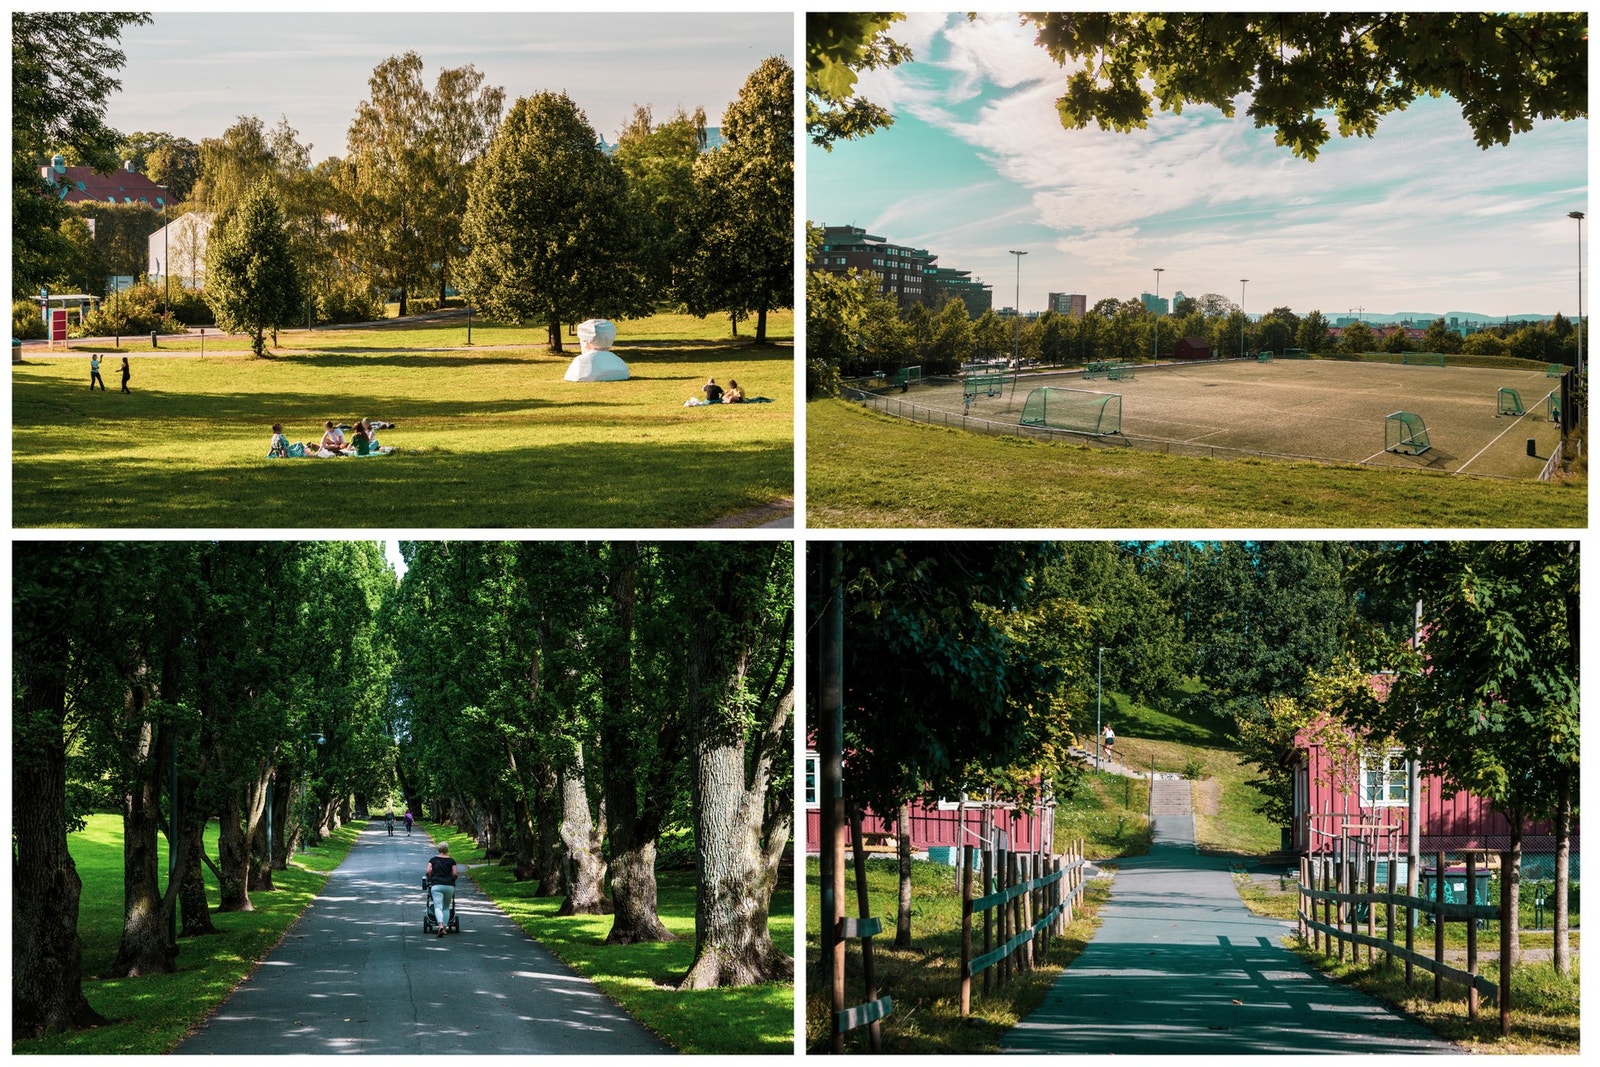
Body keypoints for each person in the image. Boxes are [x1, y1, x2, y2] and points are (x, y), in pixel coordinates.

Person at [425, 843, 460, 937]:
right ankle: (444, 927)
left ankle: (439, 924)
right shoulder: (451, 861)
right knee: (446, 907)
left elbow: (428, 871)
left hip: (436, 885)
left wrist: (430, 879)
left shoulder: (433, 860)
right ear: (447, 850)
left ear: (438, 850)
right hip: (448, 885)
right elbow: (455, 874)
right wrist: (452, 880)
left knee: (438, 907)